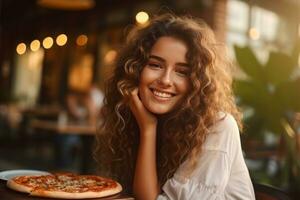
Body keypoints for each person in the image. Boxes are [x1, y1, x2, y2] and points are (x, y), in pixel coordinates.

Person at [94, 13, 255, 199]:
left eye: (182, 72)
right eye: (155, 65)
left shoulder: (218, 126)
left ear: (197, 83)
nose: (165, 80)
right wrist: (148, 128)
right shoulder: (145, 119)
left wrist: (148, 129)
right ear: (136, 71)